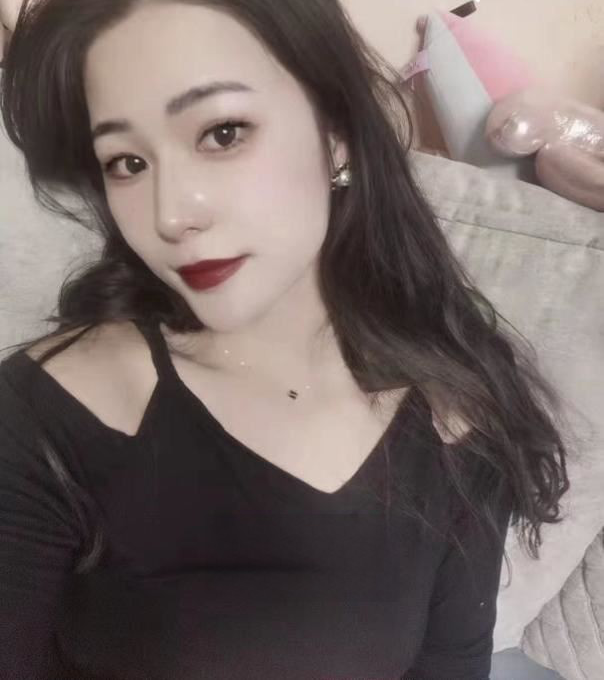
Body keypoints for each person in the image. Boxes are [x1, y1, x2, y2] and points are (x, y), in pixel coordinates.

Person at [0, 1, 573, 678]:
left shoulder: (456, 414)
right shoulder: (48, 418)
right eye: (126, 162)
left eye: (222, 133)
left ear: (336, 131)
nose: (171, 214)